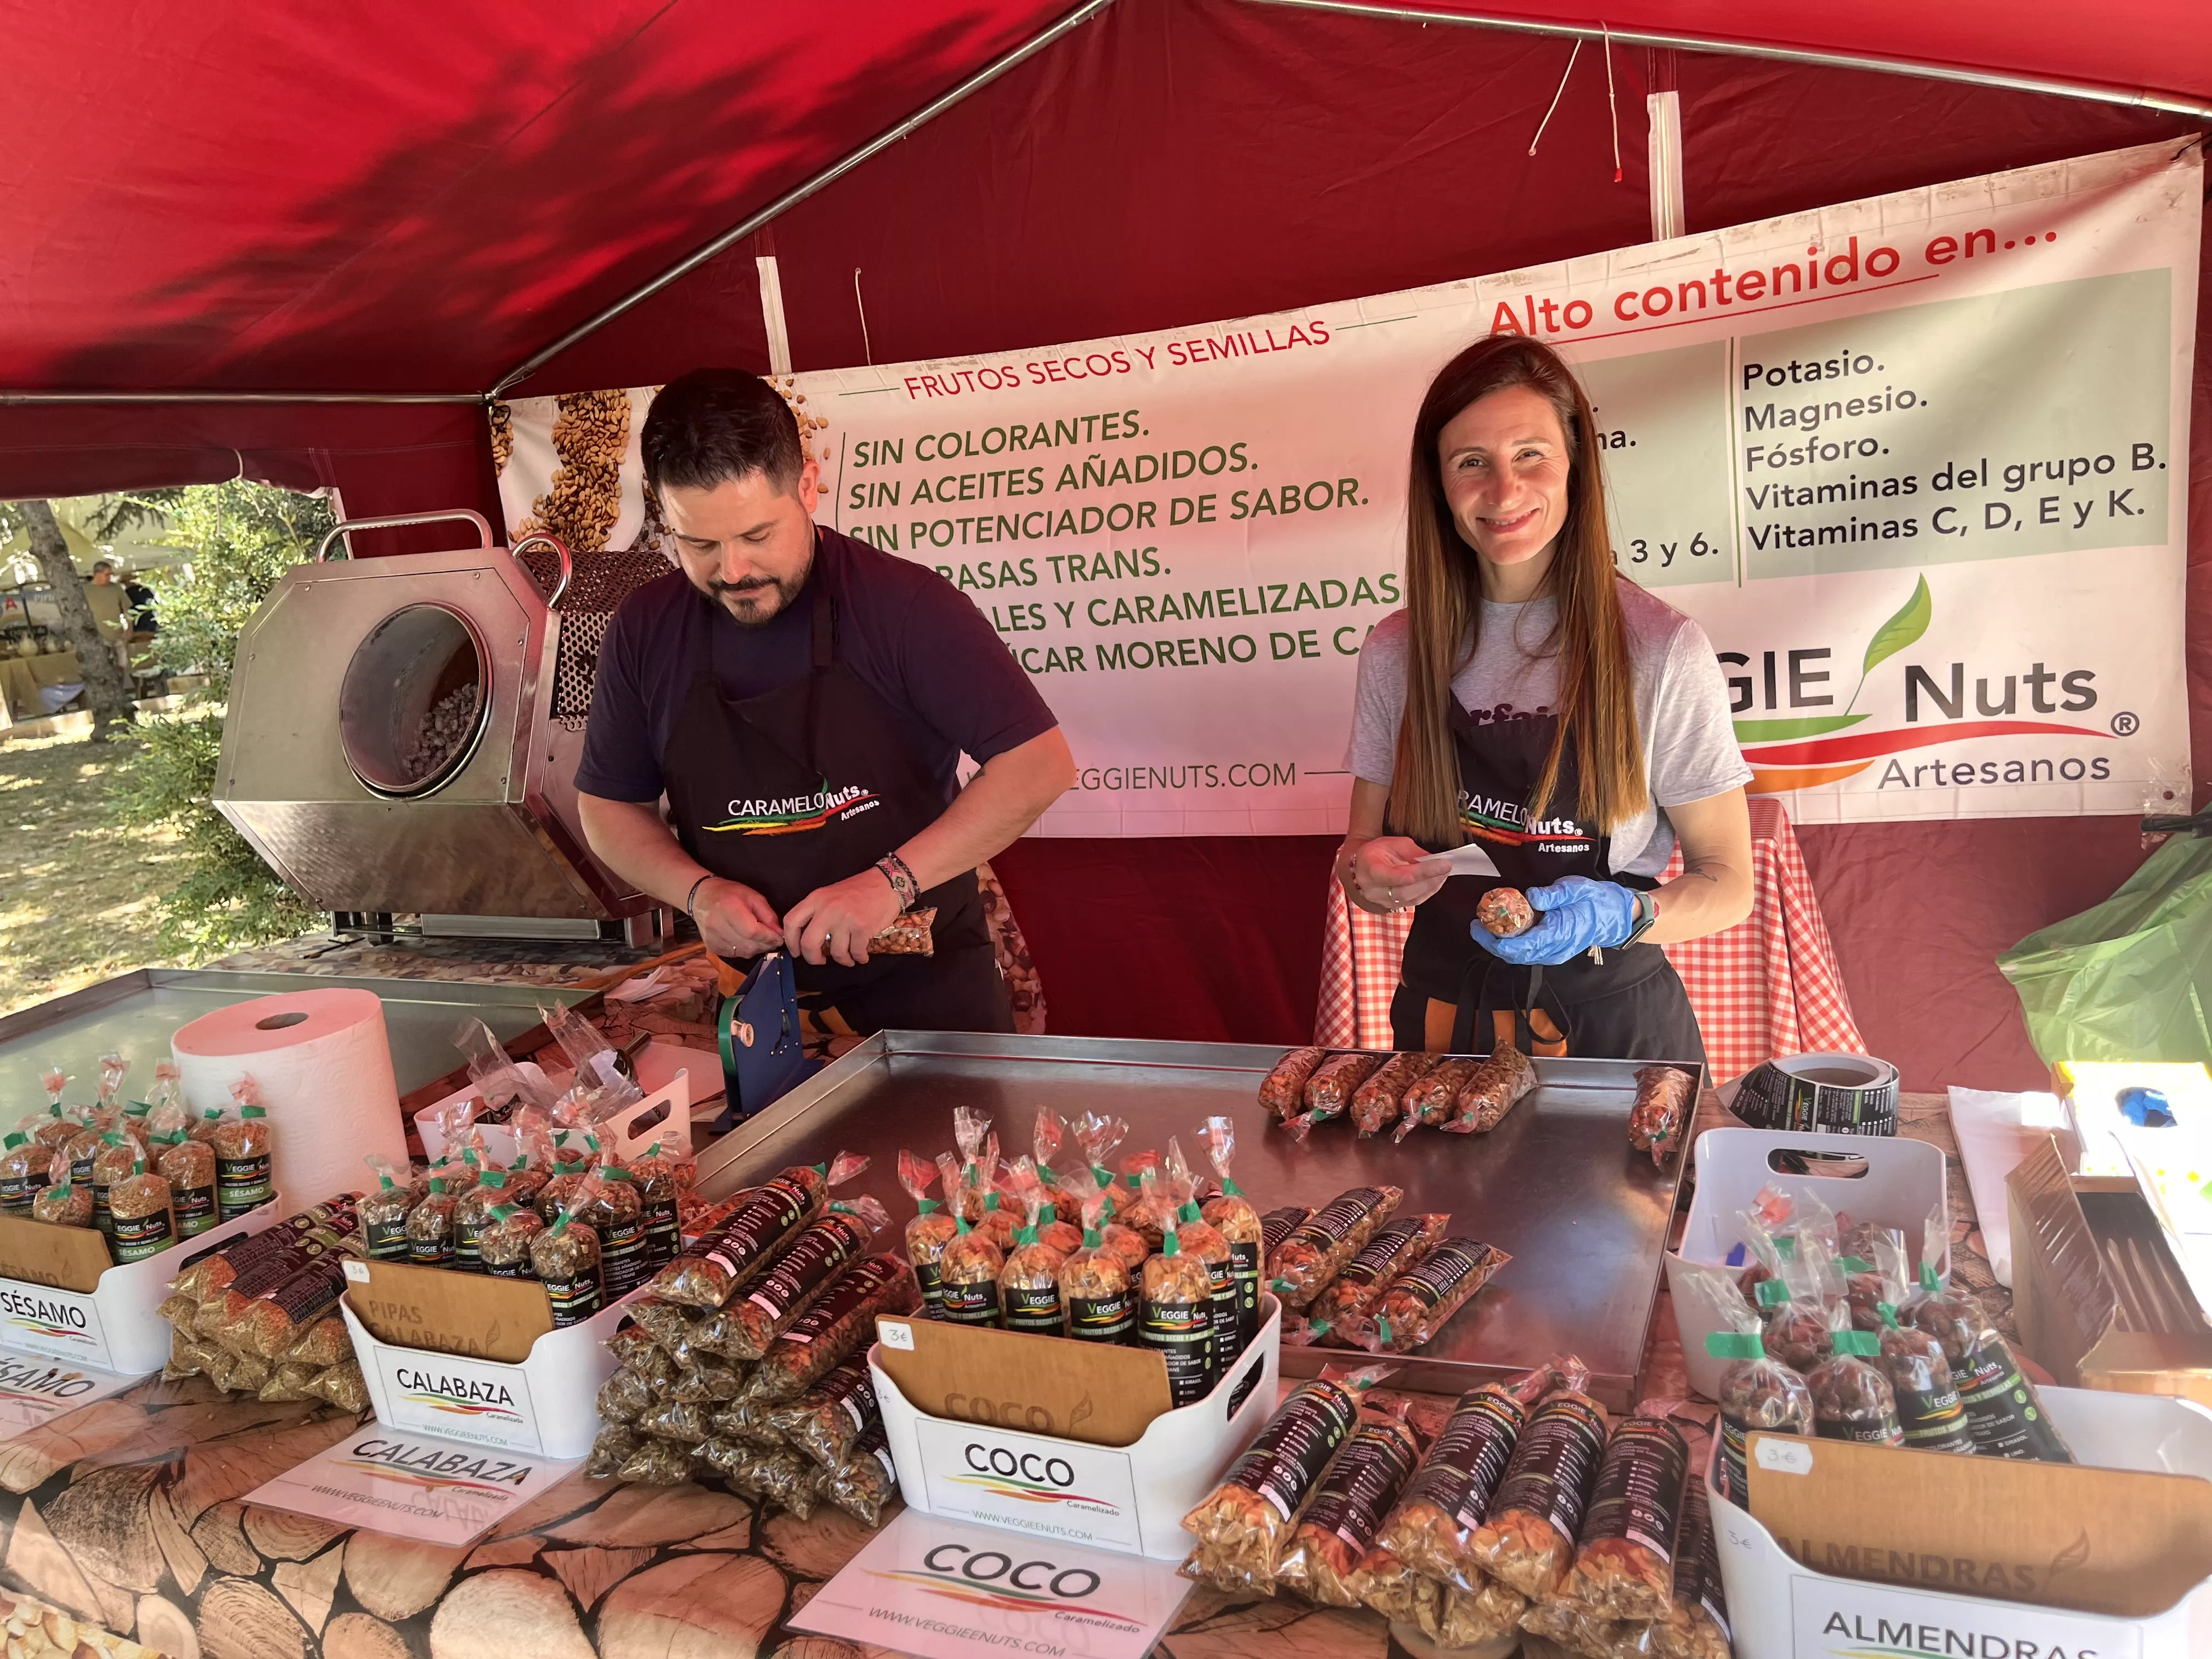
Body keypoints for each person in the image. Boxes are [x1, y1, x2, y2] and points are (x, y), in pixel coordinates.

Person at [575, 368, 1075, 1037]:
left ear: (808, 485)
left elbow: (1038, 765)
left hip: (923, 991)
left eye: (757, 535)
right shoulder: (645, 629)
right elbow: (609, 806)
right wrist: (697, 892)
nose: (733, 571)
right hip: (759, 1010)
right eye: (699, 544)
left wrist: (888, 883)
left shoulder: (905, 608)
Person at [1336, 335, 1753, 1063]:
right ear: (1437, 483)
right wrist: (1371, 878)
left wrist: (1627, 912)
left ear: (1574, 467)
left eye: (1530, 454)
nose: (1503, 491)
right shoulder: (1397, 651)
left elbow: (1729, 883)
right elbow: (1359, 860)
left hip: (1610, 1035)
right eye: (1472, 463)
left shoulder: (1658, 650)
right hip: (1443, 1023)